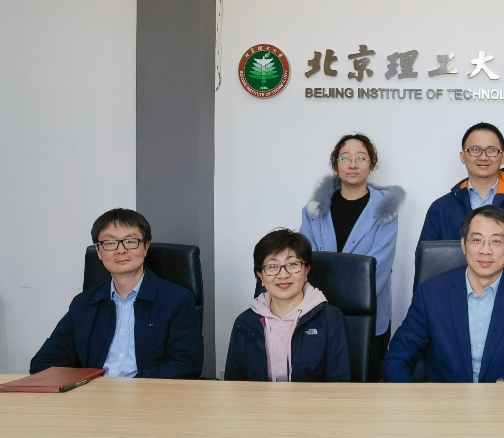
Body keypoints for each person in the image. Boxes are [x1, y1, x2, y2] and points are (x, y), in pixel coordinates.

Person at [383, 205, 504, 383]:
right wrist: (412, 397)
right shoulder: (430, 293)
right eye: (476, 240)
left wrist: (503, 387)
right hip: (445, 398)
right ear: (463, 244)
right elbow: (397, 358)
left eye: (496, 241)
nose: (485, 250)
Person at [30, 208, 202, 379]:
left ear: (145, 247)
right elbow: (44, 362)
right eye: (110, 243)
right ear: (99, 251)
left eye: (130, 241)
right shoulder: (84, 304)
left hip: (149, 393)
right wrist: (87, 385)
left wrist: (133, 387)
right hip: (94, 393)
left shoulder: (177, 300)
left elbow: (186, 365)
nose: (121, 250)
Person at [300, 133, 404, 381]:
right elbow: (306, 259)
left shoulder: (386, 209)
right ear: (336, 164)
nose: (353, 164)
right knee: (321, 385)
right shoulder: (314, 209)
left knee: (367, 386)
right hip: (320, 311)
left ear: (372, 164)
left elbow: (378, 268)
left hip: (368, 315)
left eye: (361, 158)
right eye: (345, 158)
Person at [418, 122, 504, 280]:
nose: (483, 156)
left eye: (491, 150)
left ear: (503, 157)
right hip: (451, 292)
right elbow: (426, 267)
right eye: (475, 149)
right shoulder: (440, 209)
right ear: (462, 156)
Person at [224, 229, 350, 382]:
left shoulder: (330, 319)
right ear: (260, 276)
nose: (283, 275)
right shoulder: (244, 323)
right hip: (256, 399)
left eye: (292, 264)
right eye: (272, 266)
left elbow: (338, 385)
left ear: (306, 271)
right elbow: (234, 385)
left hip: (313, 399)